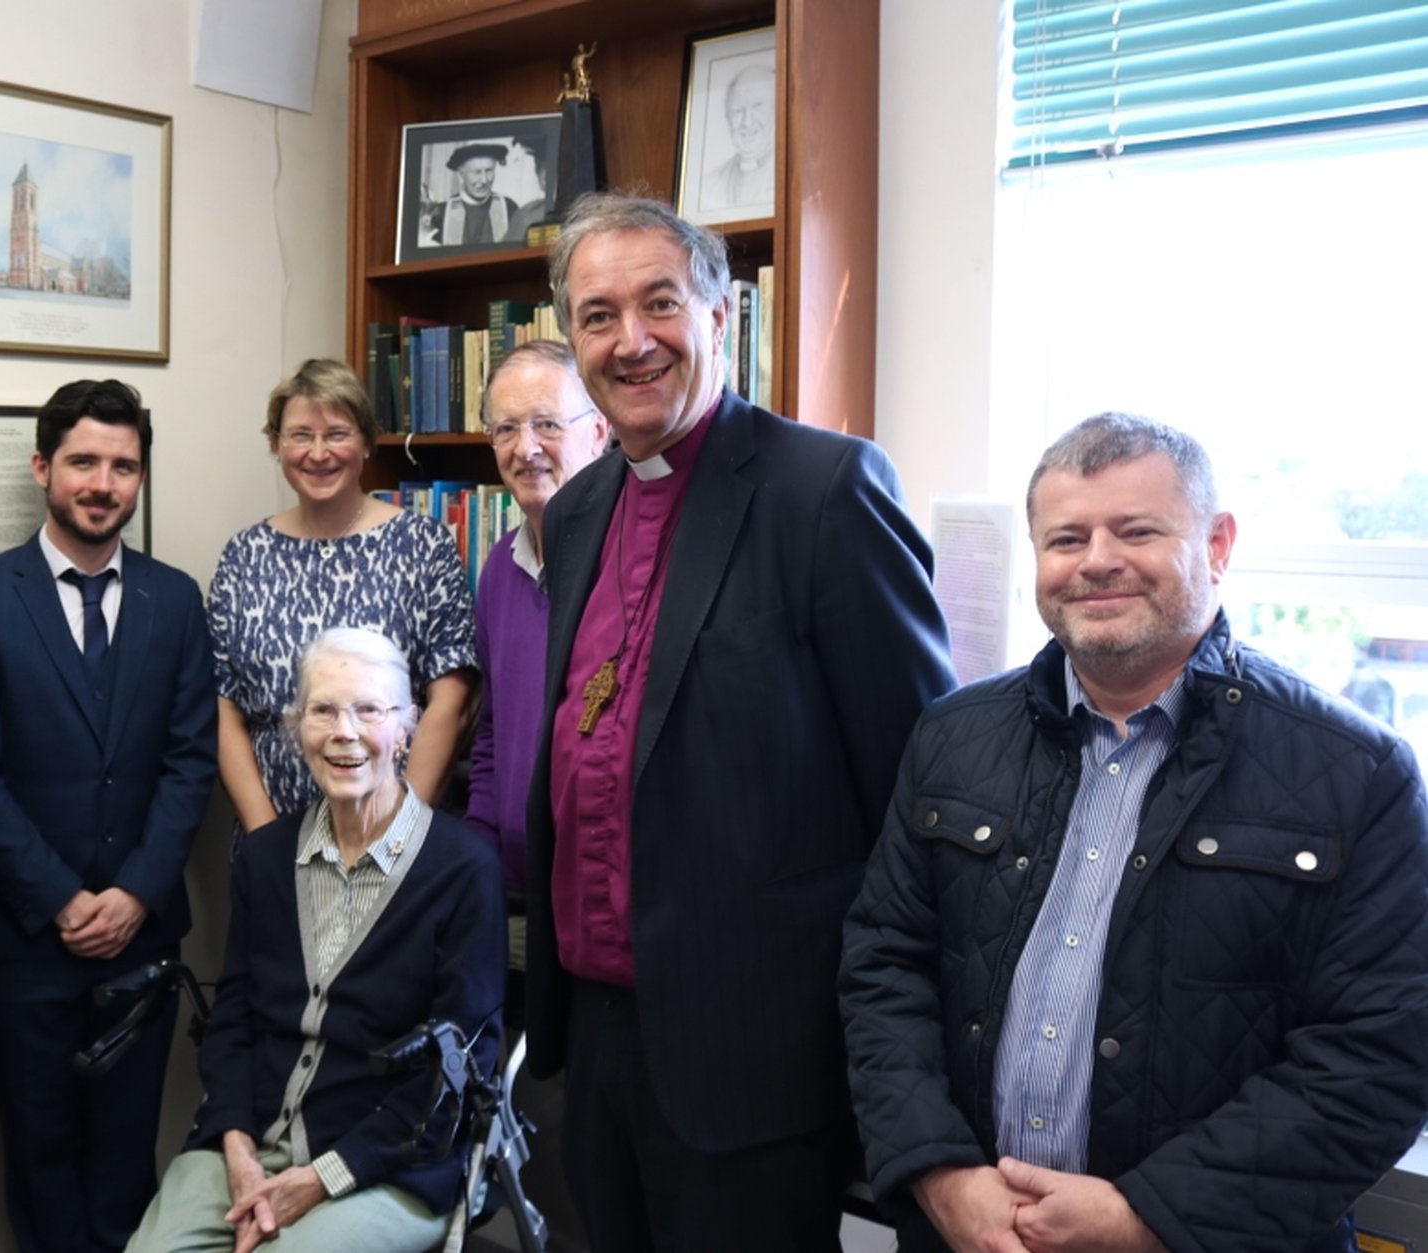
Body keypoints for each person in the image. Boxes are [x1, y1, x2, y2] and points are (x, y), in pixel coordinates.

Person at [841, 413, 1428, 1253]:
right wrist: (938, 1175)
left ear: (1218, 544)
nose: (1098, 560)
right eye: (1067, 537)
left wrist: (1144, 1217)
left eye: (1136, 530)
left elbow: (1375, 1062)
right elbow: (883, 964)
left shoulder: (1356, 774)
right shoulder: (951, 736)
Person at [524, 192, 956, 1250]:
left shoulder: (825, 489)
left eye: (659, 303)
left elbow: (920, 786)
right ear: (571, 341)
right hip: (597, 1030)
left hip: (756, 1058)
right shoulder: (576, 509)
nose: (631, 341)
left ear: (720, 317)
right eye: (597, 315)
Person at [124, 628, 505, 1253]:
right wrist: (240, 1151)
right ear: (297, 728)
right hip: (250, 1146)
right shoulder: (268, 859)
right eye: (322, 710)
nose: (344, 732)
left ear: (406, 727)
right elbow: (235, 1019)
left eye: (368, 711)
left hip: (388, 1165)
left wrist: (320, 1179)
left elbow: (455, 1072)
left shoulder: (463, 871)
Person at [0, 380, 217, 1253]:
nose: (103, 482)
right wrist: (63, 898)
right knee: (41, 1160)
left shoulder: (175, 601)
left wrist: (136, 892)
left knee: (125, 1160)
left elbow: (190, 759)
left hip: (143, 943)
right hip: (30, 942)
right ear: (43, 468)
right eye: (84, 462)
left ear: (140, 477)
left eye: (123, 465)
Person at [465, 338, 609, 1253]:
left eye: (549, 423)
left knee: (596, 1152)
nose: (528, 447)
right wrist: (476, 856)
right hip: (512, 899)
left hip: (597, 913)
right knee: (531, 1138)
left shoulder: (626, 571)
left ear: (596, 430)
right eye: (507, 428)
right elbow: (488, 734)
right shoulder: (497, 568)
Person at [208, 358, 475, 835]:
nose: (318, 453)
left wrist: (397, 837)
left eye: (337, 433)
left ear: (368, 442)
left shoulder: (423, 545)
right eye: (299, 435)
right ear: (275, 444)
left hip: (398, 833)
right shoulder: (244, 555)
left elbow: (449, 701)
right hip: (273, 829)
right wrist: (265, 836)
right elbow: (222, 706)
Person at [703, 62, 776, 212]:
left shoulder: (795, 182)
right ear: (727, 118)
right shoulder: (709, 184)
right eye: (737, 111)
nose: (747, 122)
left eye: (757, 106)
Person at [440, 142, 517, 245]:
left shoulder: (508, 208)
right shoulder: (443, 212)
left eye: (489, 170)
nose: (484, 180)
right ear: (461, 175)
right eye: (477, 172)